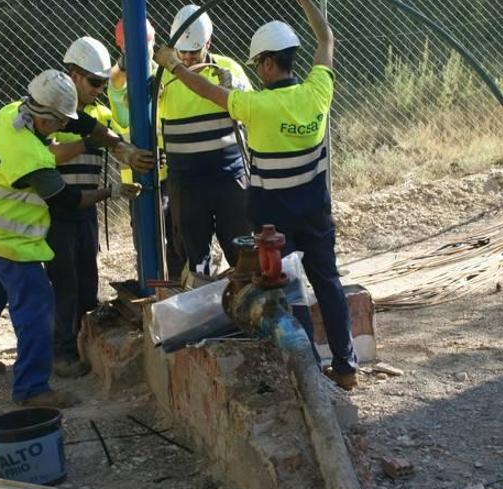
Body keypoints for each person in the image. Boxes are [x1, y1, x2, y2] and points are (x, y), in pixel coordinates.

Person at [153, 0, 358, 389]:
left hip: (274, 223)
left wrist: (173, 66)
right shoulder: (318, 92)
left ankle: (308, 372)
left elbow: (205, 90)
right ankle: (346, 368)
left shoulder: (256, 106)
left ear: (265, 64)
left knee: (287, 292)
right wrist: (309, 6)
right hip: (316, 212)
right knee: (328, 283)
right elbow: (326, 38)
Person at [0, 69, 149, 407]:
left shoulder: (14, 110)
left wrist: (119, 145)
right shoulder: (31, 157)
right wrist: (112, 190)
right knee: (38, 305)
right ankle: (32, 389)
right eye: (58, 123)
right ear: (45, 119)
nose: (61, 128)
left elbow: (81, 124)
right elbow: (68, 201)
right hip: (5, 237)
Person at [47, 37, 151, 377]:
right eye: (94, 82)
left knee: (87, 279)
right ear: (73, 75)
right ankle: (61, 352)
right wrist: (83, 142)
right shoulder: (48, 112)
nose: (98, 89)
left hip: (85, 210)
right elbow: (46, 156)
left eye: (102, 83)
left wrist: (131, 155)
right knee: (64, 282)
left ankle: (84, 343)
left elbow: (114, 139)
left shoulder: (98, 113)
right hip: (54, 213)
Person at [156, 5, 253, 284]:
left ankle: (248, 307)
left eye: (193, 52)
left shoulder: (228, 69)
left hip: (229, 180)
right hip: (186, 185)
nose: (186, 59)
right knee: (192, 258)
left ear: (208, 44)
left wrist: (234, 86)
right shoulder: (161, 77)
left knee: (243, 251)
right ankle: (201, 315)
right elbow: (130, 109)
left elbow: (251, 109)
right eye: (181, 53)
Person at [109, 18, 187, 282]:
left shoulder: (162, 73)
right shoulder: (119, 80)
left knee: (176, 238)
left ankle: (176, 287)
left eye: (148, 44)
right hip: (139, 178)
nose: (145, 51)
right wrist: (124, 63)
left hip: (169, 173)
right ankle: (151, 287)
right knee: (146, 241)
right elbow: (115, 83)